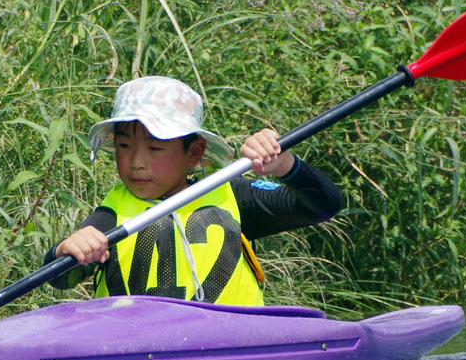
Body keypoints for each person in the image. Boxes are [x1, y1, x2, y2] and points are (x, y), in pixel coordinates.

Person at [44, 76, 342, 306]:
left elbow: (323, 205)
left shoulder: (233, 195)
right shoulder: (112, 214)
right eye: (124, 146)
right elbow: (61, 277)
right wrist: (66, 250)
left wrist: (286, 166)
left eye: (155, 147)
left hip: (233, 349)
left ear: (194, 153)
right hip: (137, 355)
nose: (136, 162)